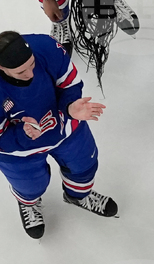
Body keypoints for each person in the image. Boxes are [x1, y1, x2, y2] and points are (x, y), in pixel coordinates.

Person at [0, 31, 117, 239]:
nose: (31, 74)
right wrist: (22, 134)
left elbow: (70, 84)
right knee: (30, 185)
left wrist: (71, 106)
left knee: (84, 164)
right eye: (21, 72)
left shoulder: (45, 46)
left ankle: (78, 197)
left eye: (32, 64)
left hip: (65, 127)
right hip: (18, 151)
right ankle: (29, 202)